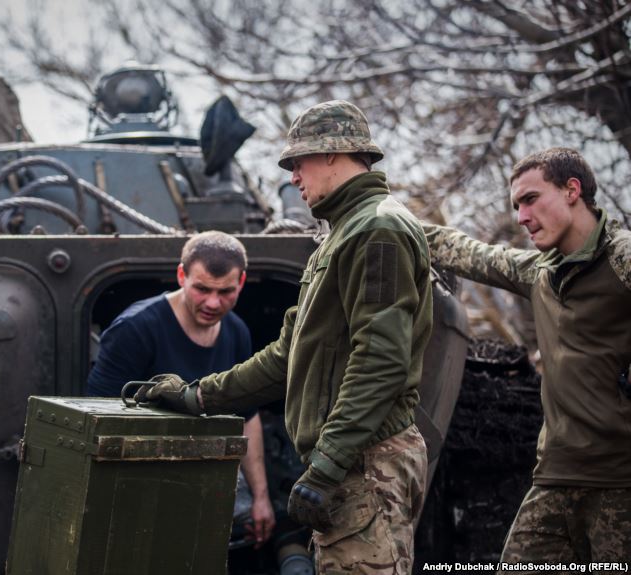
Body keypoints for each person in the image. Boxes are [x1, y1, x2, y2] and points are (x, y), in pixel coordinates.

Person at [138, 100, 433, 574]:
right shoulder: (342, 234)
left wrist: (328, 464)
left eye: (298, 163)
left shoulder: (377, 229)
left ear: (332, 153)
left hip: (367, 462)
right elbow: (285, 357)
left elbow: (381, 361)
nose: (293, 177)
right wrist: (197, 397)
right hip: (352, 461)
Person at [422, 147, 631, 569]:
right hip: (555, 478)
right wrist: (389, 222)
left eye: (531, 199)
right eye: (516, 205)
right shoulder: (539, 273)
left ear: (572, 190)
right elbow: (470, 252)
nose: (521, 216)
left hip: (620, 482)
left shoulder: (622, 257)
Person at [87, 230, 276, 547]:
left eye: (225, 292)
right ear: (181, 276)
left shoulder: (236, 332)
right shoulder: (135, 329)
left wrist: (261, 497)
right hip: (140, 482)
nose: (213, 302)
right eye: (202, 289)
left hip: (208, 478)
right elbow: (97, 419)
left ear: (241, 282)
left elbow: (247, 417)